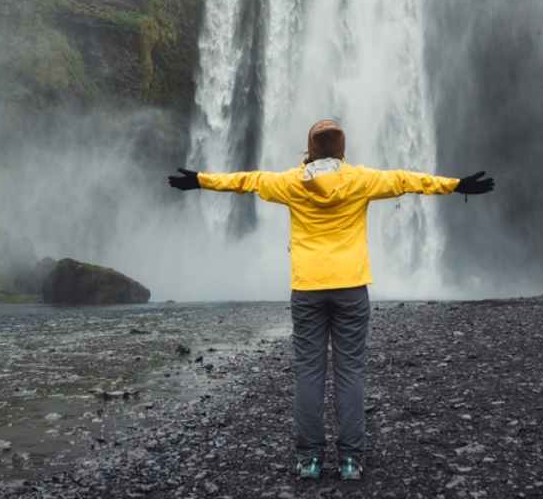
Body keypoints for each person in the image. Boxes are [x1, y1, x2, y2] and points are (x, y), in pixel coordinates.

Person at [166, 118, 495, 482]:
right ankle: (351, 460)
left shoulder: (291, 182)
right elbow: (407, 180)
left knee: (309, 373)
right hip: (352, 287)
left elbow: (247, 180)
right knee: (350, 372)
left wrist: (199, 180)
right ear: (342, 150)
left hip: (307, 287)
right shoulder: (361, 179)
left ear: (309, 151)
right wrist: (457, 185)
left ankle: (309, 460)